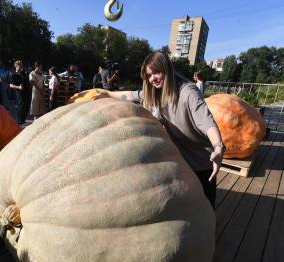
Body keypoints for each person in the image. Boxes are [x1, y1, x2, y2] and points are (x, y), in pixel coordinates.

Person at [94, 51, 225, 209]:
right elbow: (131, 95)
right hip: (180, 159)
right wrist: (108, 93)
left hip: (202, 161)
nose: (152, 78)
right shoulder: (157, 92)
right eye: (149, 75)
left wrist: (218, 147)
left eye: (156, 72)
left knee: (206, 206)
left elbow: (206, 120)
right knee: (186, 205)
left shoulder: (188, 92)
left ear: (167, 69)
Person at [9, 60, 31, 125]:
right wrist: (18, 87)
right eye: (19, 65)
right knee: (21, 106)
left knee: (26, 105)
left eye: (21, 65)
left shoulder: (23, 73)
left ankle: (23, 120)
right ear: (15, 66)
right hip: (19, 92)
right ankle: (19, 121)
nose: (20, 66)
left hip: (26, 91)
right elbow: (11, 85)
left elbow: (27, 80)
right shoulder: (13, 74)